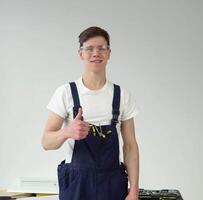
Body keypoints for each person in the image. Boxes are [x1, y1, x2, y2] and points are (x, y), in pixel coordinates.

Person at [42, 26, 139, 200]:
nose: (96, 53)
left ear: (109, 53)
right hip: (77, 184)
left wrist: (134, 191)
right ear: (80, 53)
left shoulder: (122, 95)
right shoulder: (66, 93)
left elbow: (130, 146)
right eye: (89, 49)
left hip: (112, 182)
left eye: (101, 48)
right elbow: (46, 142)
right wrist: (67, 132)